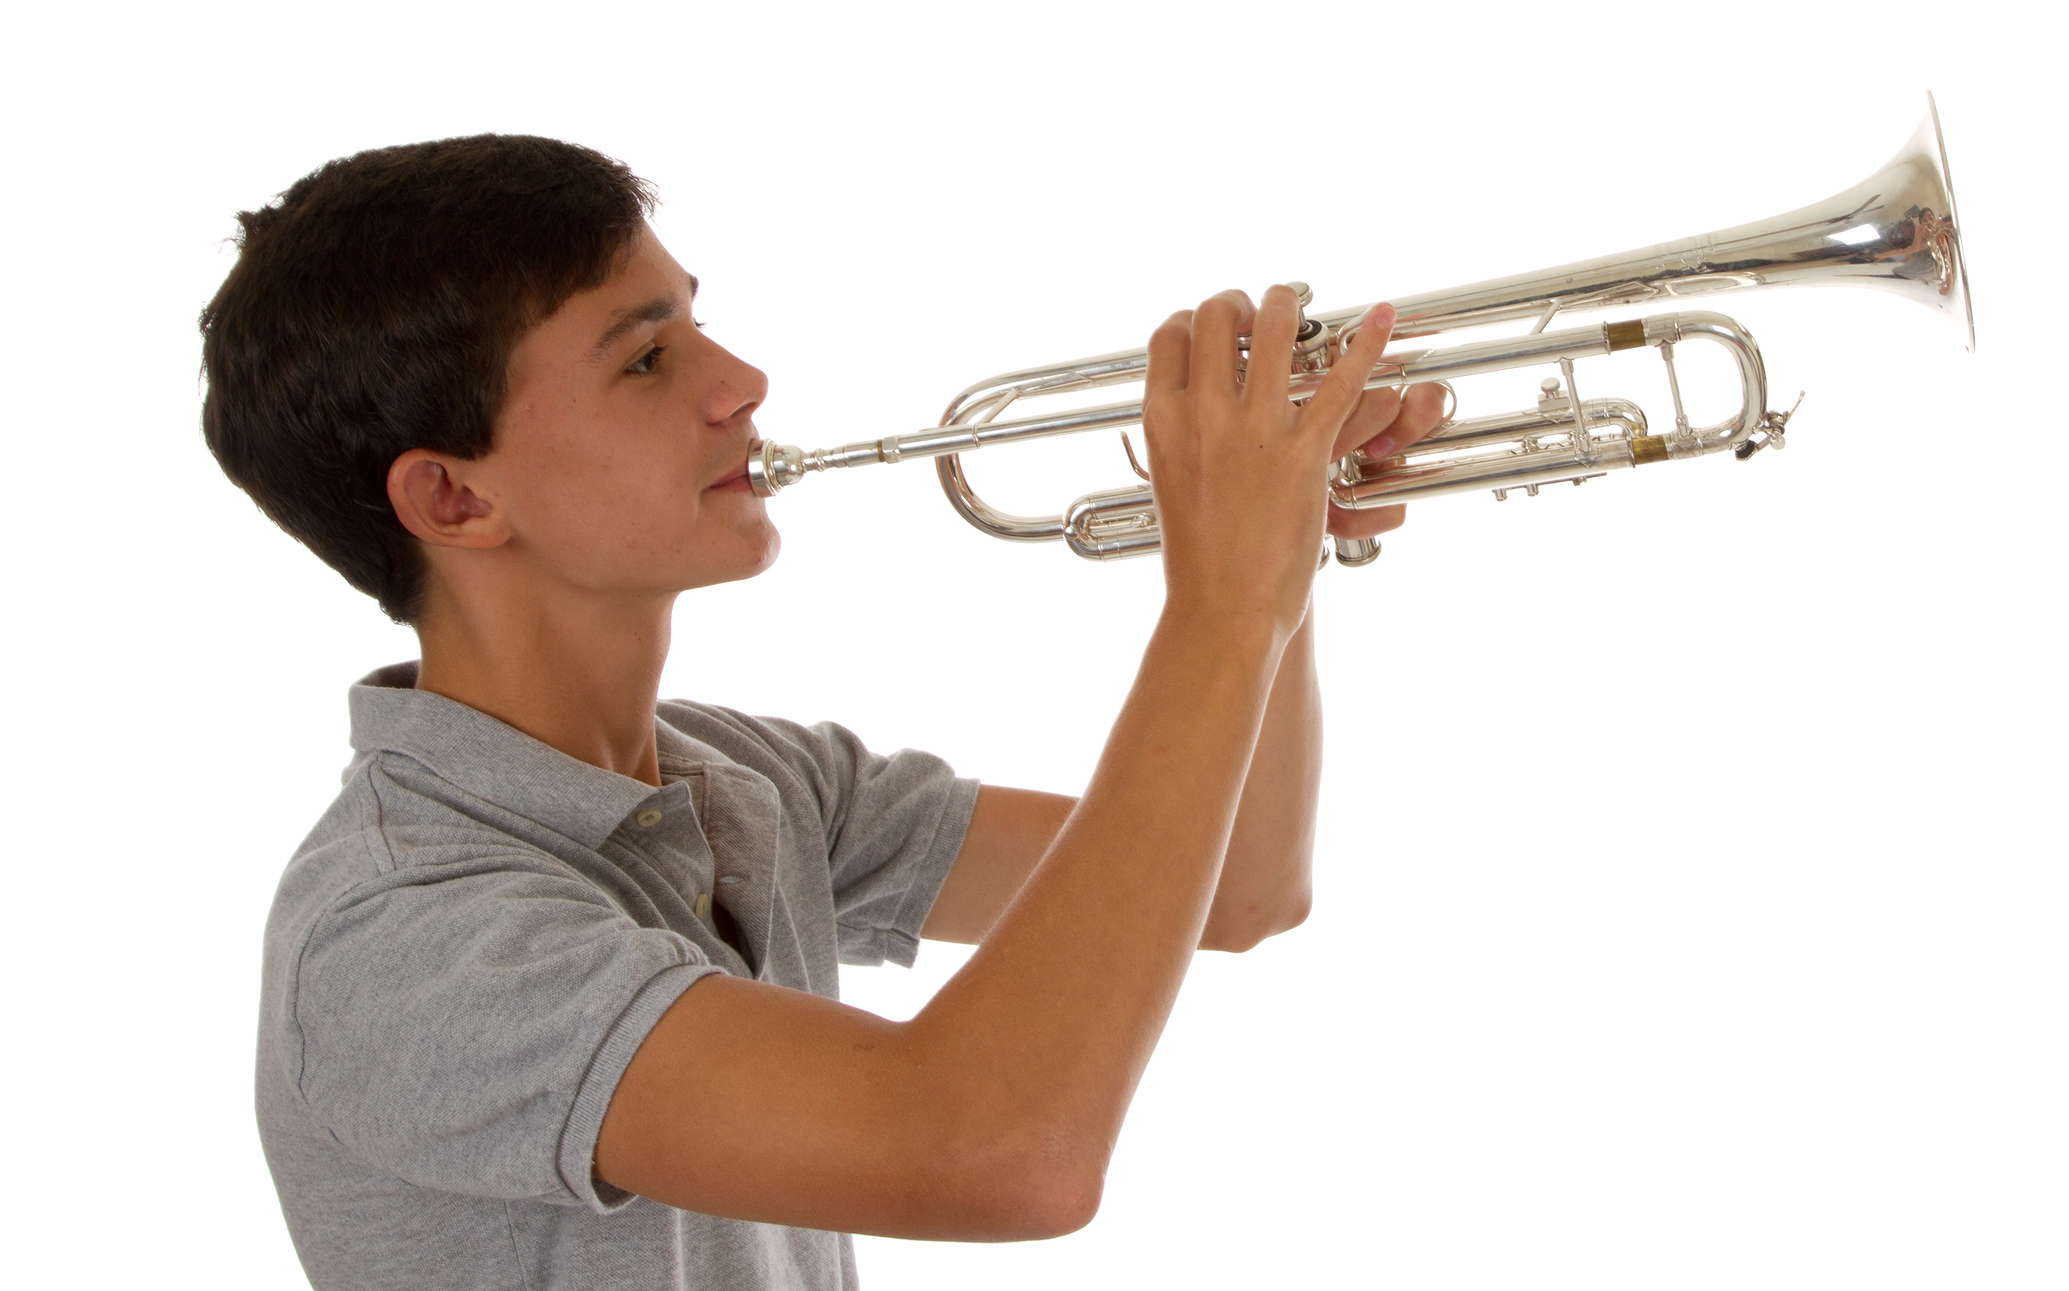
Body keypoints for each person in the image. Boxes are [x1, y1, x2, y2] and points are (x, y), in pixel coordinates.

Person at [203, 133, 1447, 1290]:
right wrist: (1222, 606)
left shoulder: (750, 778)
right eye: (645, 358)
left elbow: (1233, 887)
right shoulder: (402, 936)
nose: (741, 381)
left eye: (696, 319)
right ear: (454, 499)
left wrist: (1280, 558)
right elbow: (1002, 1151)